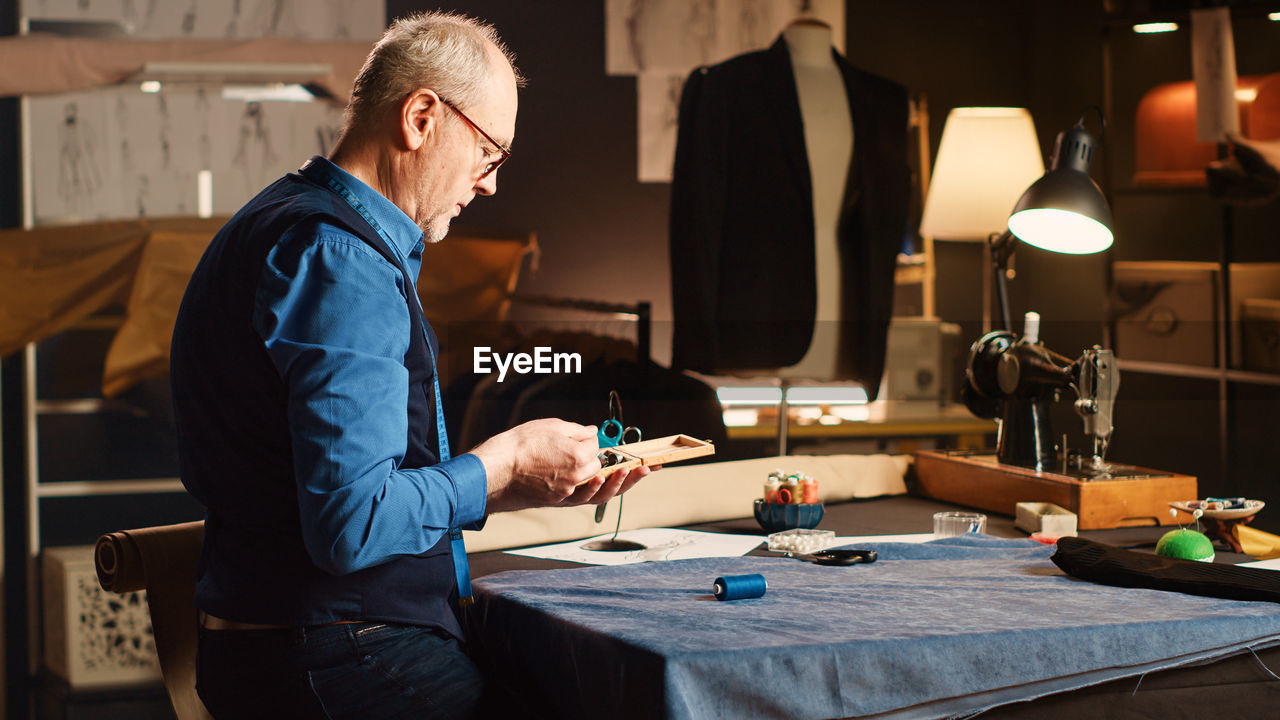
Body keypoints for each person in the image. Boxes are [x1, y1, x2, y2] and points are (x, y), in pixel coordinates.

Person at [169, 11, 652, 719]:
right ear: (422, 116)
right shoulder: (341, 261)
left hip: (288, 652)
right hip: (339, 657)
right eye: (490, 153)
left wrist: (520, 486)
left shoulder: (281, 222)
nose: (490, 185)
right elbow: (352, 523)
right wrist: (505, 462)